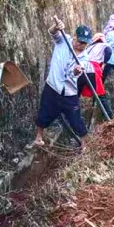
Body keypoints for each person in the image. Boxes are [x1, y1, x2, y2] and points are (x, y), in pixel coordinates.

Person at [33, 19, 90, 147]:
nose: (81, 45)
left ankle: (85, 144)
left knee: (75, 118)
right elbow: (52, 32)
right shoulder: (64, 40)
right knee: (44, 112)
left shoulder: (85, 57)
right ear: (74, 37)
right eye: (80, 41)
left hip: (69, 91)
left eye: (84, 43)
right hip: (53, 86)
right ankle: (38, 138)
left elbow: (75, 74)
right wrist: (57, 27)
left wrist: (76, 71)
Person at [78, 31, 113, 119]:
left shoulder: (89, 47)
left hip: (82, 67)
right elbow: (109, 52)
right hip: (93, 68)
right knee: (101, 94)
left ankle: (71, 114)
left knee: (76, 93)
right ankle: (110, 117)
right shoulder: (104, 45)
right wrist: (104, 63)